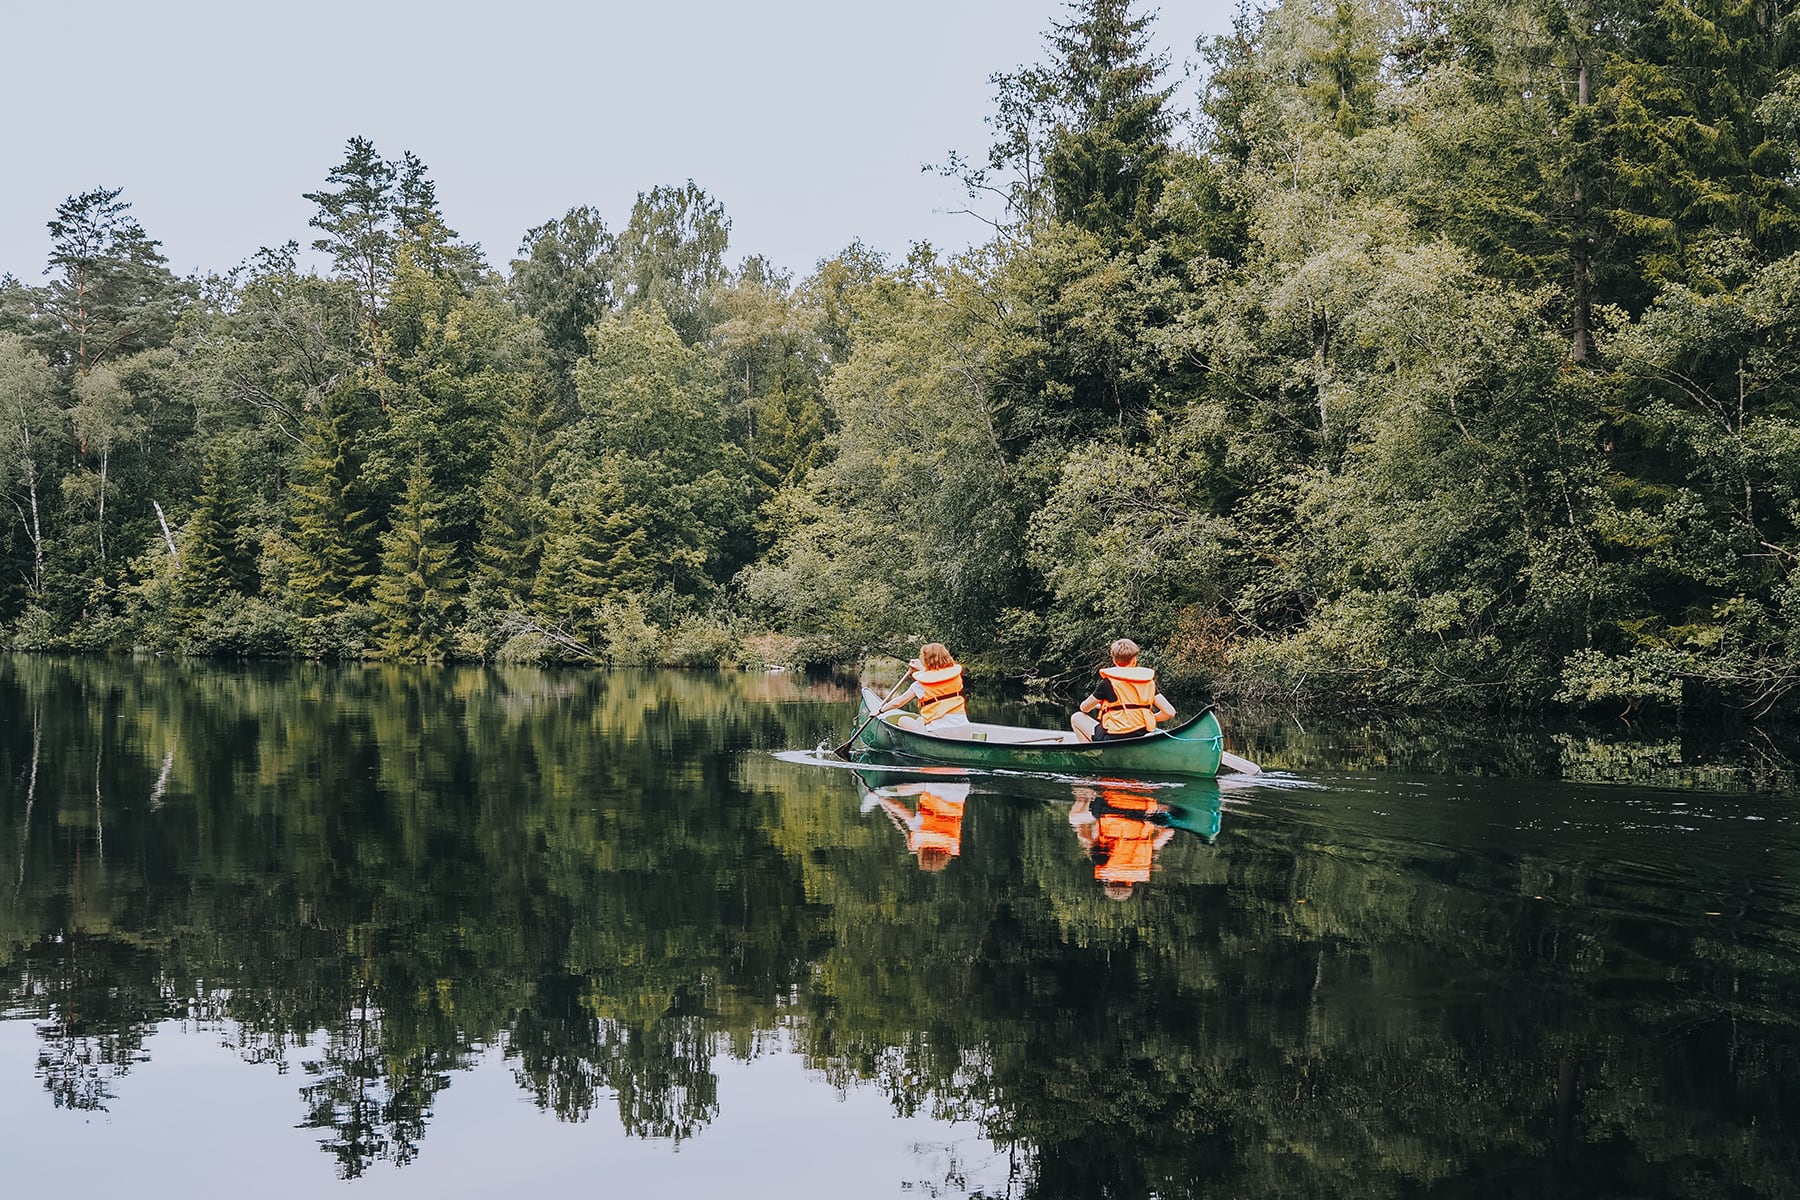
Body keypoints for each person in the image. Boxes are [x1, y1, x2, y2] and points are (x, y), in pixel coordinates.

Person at [1069, 786, 1174, 901]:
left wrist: (1153, 826)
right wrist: (1081, 829)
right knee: (1074, 819)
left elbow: (1168, 832)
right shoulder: (1103, 863)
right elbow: (1085, 836)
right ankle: (1082, 790)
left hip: (1144, 807)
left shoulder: (1145, 860)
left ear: (1129, 883)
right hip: (1110, 803)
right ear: (1110, 881)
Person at [1070, 638, 1176, 743]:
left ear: (1114, 660)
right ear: (1134, 660)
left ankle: (1090, 754)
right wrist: (1148, 719)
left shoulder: (1107, 683)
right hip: (1142, 733)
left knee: (1077, 717)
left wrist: (1099, 706)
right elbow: (1169, 712)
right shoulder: (1148, 682)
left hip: (1113, 737)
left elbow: (1084, 708)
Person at [861, 779, 970, 873]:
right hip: (935, 786)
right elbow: (897, 807)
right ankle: (879, 792)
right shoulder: (920, 836)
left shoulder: (950, 843)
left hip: (961, 788)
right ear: (922, 854)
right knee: (903, 789)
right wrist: (881, 798)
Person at [874, 643, 970, 731]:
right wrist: (922, 670)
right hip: (964, 729)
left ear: (925, 661)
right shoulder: (956, 678)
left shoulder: (920, 685)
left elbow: (899, 702)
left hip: (940, 732)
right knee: (920, 720)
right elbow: (937, 677)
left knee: (903, 720)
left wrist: (879, 710)